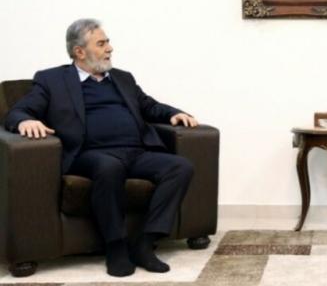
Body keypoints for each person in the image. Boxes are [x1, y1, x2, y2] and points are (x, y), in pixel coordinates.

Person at [4, 19, 199, 277]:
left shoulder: (122, 78)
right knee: (109, 167)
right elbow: (18, 111)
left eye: (108, 42)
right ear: (79, 51)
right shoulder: (52, 80)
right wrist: (24, 121)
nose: (110, 48)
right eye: (101, 43)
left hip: (136, 151)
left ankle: (145, 242)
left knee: (180, 167)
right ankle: (115, 246)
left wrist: (174, 113)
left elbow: (149, 106)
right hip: (89, 154)